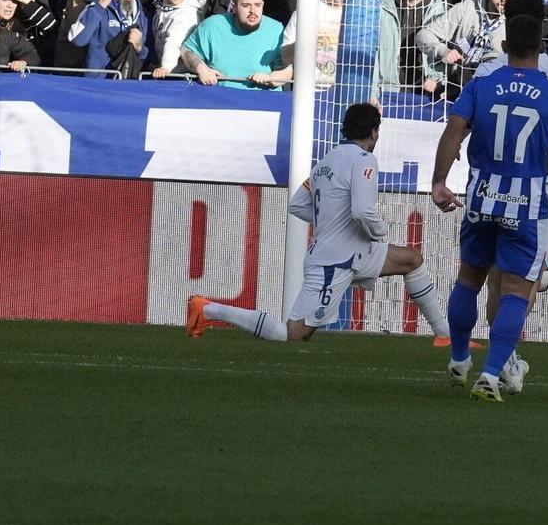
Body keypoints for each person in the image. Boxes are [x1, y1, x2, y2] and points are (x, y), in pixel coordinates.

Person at [186, 103, 449, 345]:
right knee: (292, 334)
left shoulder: (325, 163)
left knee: (410, 259)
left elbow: (298, 204)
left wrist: (332, 220)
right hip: (333, 262)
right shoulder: (364, 160)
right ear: (373, 131)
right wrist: (378, 230)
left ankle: (444, 335)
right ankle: (206, 308)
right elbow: (362, 211)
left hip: (350, 252)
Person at [431, 12, 548, 401]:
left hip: (482, 196)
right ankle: (490, 374)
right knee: (517, 291)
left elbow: (453, 130)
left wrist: (439, 182)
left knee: (469, 279)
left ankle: (458, 358)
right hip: (527, 206)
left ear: (503, 47)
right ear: (542, 47)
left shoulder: (483, 81)